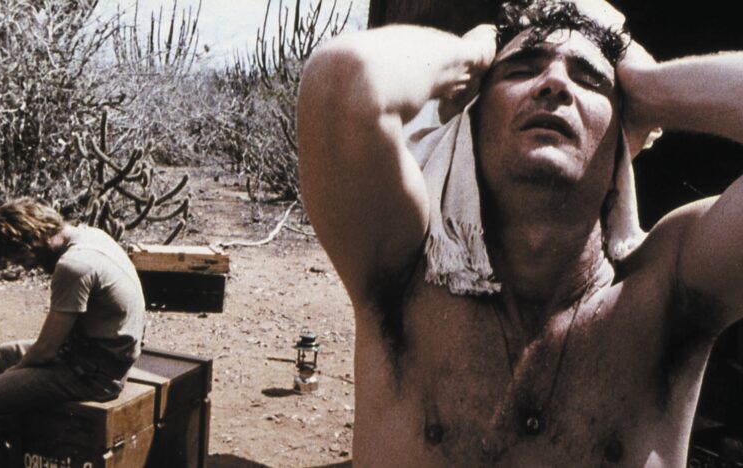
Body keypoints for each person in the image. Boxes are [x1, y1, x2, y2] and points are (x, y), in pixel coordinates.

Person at [297, 0, 743, 465]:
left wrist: (650, 86)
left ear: (621, 136)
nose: (555, 83)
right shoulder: (405, 272)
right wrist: (470, 56)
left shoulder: (666, 293)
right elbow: (343, 80)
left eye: (590, 80)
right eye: (521, 70)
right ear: (473, 117)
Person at [0, 198, 146, 468]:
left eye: (23, 258)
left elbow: (46, 351)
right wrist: (12, 372)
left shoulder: (74, 266)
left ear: (34, 238)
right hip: (101, 357)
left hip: (96, 376)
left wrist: (15, 373)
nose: (27, 267)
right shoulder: (90, 236)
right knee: (5, 355)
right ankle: (14, 453)